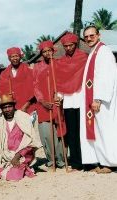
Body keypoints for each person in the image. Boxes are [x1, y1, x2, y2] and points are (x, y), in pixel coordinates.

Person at [79, 25, 117, 173]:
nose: (89, 38)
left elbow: (106, 77)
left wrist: (98, 99)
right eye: (86, 36)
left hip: (102, 101)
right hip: (94, 99)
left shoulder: (104, 52)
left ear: (99, 35)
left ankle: (110, 163)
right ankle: (102, 161)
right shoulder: (94, 52)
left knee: (105, 129)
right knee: (98, 130)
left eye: (92, 35)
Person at [0, 94, 41, 181]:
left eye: (10, 106)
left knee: (14, 176)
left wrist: (17, 156)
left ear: (14, 106)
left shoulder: (23, 118)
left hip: (22, 154)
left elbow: (30, 142)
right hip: (4, 154)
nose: (7, 110)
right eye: (5, 107)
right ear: (1, 109)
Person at [56, 33, 88, 171]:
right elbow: (60, 80)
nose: (69, 48)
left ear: (76, 44)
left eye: (71, 45)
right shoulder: (61, 62)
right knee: (72, 133)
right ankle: (75, 162)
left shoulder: (84, 58)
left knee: (84, 132)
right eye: (66, 46)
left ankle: (88, 160)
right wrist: (58, 95)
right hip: (68, 100)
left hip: (82, 99)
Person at [33, 41, 66, 168]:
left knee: (58, 132)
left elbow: (63, 82)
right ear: (42, 54)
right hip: (43, 105)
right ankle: (51, 159)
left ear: (53, 51)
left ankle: (61, 159)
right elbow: (35, 86)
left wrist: (60, 96)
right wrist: (42, 101)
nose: (47, 53)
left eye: (49, 50)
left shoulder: (59, 65)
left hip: (57, 102)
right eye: (44, 51)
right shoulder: (37, 67)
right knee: (46, 133)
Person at [0, 47, 36, 113]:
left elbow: (34, 89)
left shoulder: (28, 70)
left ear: (20, 57)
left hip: (29, 106)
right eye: (12, 56)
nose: (15, 58)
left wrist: (26, 105)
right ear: (9, 58)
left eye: (17, 56)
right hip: (13, 108)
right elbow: (1, 91)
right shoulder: (4, 74)